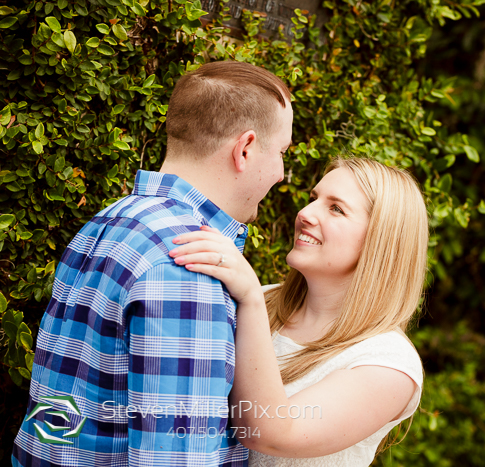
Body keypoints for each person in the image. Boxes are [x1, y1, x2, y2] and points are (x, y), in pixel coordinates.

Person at [13, 61, 293, 466]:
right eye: (281, 152)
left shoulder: (109, 220)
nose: (282, 174)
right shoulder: (189, 264)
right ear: (245, 148)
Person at [168, 157, 428, 466]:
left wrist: (250, 299)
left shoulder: (387, 363)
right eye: (313, 199)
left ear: (380, 242)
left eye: (336, 208)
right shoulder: (259, 300)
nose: (305, 214)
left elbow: (272, 433)